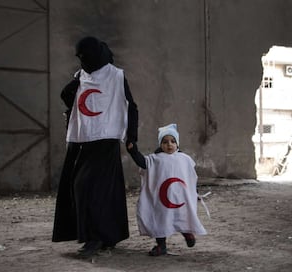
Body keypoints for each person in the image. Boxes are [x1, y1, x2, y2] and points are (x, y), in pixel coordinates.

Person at [52, 36, 138, 258]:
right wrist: (72, 108)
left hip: (106, 139)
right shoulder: (82, 75)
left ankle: (96, 238)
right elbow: (66, 93)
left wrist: (131, 137)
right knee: (82, 187)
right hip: (82, 139)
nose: (83, 60)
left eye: (85, 56)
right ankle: (105, 236)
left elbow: (131, 106)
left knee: (91, 188)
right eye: (79, 57)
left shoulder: (116, 75)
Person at [127, 123, 206, 256]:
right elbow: (142, 162)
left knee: (181, 216)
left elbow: (191, 177)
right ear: (160, 144)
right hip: (160, 200)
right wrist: (133, 151)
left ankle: (188, 234)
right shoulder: (155, 159)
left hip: (180, 198)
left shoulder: (185, 159)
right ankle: (161, 246)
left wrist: (194, 192)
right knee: (160, 220)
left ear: (177, 143)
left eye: (173, 141)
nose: (169, 144)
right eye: (165, 142)